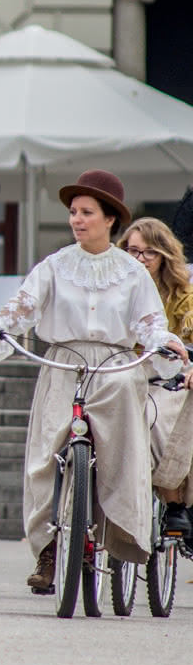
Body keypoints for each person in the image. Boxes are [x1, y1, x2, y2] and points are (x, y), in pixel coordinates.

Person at [0, 170, 188, 593]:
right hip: (63, 362)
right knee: (44, 456)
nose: (76, 219)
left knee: (124, 429)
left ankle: (119, 525)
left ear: (110, 219)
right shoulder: (54, 266)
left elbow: (149, 324)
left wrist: (165, 343)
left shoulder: (131, 271)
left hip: (115, 365)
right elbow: (23, 307)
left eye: (86, 212)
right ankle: (50, 548)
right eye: (72, 212)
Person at [120, 217, 193, 539]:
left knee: (158, 417)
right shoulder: (115, 288)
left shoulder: (183, 294)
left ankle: (173, 502)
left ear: (164, 255)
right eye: (133, 251)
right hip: (120, 369)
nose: (140, 259)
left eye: (148, 252)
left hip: (168, 376)